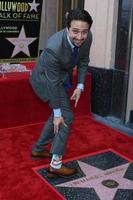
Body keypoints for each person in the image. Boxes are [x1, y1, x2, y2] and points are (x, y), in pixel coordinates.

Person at [30, 8, 93, 178]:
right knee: (65, 117)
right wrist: (58, 113)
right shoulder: (53, 47)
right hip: (45, 80)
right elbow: (52, 83)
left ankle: (38, 149)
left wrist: (80, 86)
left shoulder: (87, 37)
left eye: (84, 32)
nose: (80, 37)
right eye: (75, 31)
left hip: (61, 76)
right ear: (67, 28)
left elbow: (84, 60)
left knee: (59, 116)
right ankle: (55, 165)